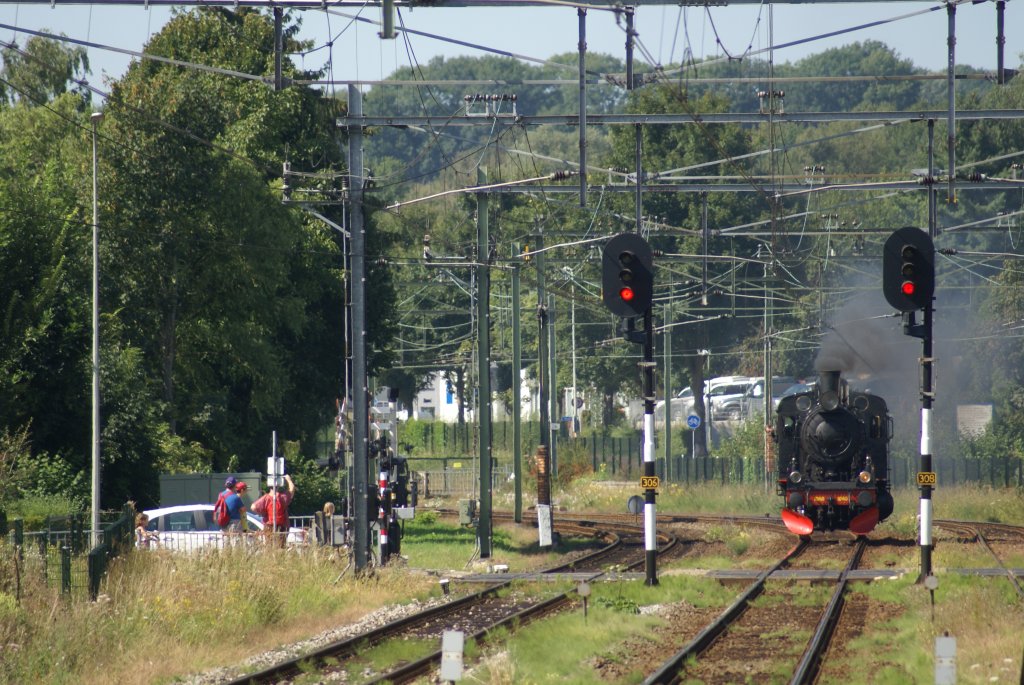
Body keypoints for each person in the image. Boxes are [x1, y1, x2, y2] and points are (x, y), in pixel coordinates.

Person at [253, 474, 295, 547]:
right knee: (281, 546)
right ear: (278, 486)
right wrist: (289, 480)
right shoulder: (283, 497)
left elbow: (253, 507)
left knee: (269, 546)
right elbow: (292, 490)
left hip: (269, 526)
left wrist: (263, 513)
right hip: (282, 527)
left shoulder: (266, 498)